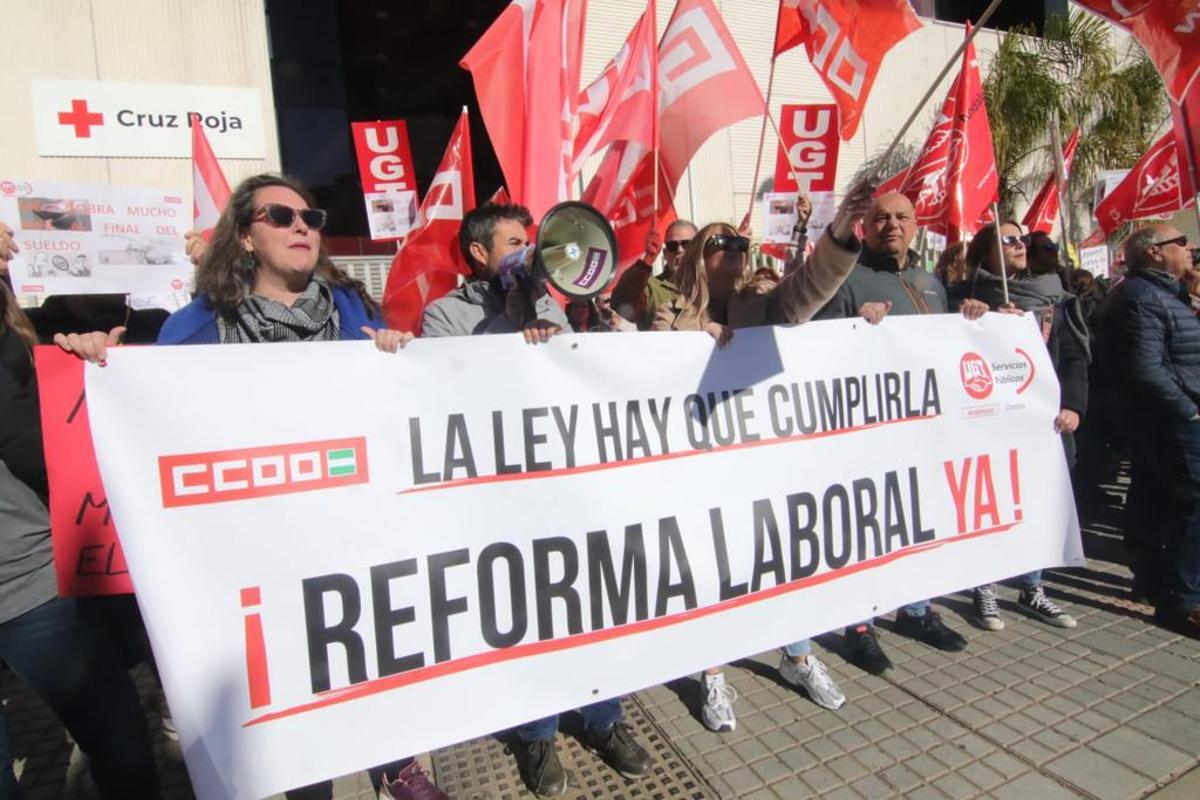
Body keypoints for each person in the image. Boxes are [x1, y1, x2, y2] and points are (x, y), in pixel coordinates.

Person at [54, 174, 441, 800]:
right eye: (280, 216)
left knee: (370, 651)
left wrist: (400, 359)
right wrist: (97, 362)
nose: (301, 227)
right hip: (254, 553)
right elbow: (142, 415)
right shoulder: (194, 329)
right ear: (242, 237)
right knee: (286, 684)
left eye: (310, 217)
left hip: (350, 536)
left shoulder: (356, 316)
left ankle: (393, 760)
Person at [421, 201, 650, 798]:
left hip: (565, 490)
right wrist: (510, 326)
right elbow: (454, 396)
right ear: (479, 252)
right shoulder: (443, 315)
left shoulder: (555, 304)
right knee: (531, 620)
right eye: (517, 242)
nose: (531, 251)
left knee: (590, 611)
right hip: (501, 499)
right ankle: (537, 733)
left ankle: (605, 720)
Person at [652, 182, 876, 730]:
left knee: (778, 564)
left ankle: (797, 656)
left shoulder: (762, 304)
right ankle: (711, 676)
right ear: (700, 256)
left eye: (738, 240)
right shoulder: (668, 310)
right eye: (718, 240)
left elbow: (812, 285)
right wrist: (694, 335)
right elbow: (650, 370)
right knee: (710, 573)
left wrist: (842, 229)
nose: (732, 247)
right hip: (697, 472)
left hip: (759, 466)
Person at [0, 276, 162, 799]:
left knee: (124, 752)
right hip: (31, 578)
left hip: (26, 579)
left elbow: (36, 450)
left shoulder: (18, 347)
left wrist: (85, 371)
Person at [814, 191, 989, 674]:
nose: (892, 224)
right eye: (881, 218)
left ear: (915, 225)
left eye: (901, 217)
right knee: (867, 529)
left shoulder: (928, 281)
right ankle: (860, 626)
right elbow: (817, 347)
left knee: (918, 524)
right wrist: (853, 323)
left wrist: (974, 317)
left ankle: (915, 611)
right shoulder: (845, 276)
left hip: (923, 432)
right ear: (865, 227)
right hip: (866, 434)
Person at [964, 220, 1085, 630]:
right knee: (992, 504)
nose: (1021, 245)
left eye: (1024, 239)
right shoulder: (966, 297)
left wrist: (1074, 407)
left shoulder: (1055, 297)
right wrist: (982, 323)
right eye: (1009, 239)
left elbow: (1072, 358)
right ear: (985, 252)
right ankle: (985, 588)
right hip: (990, 426)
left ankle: (1033, 588)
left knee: (1038, 505)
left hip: (1044, 424)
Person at [1100, 224, 1200, 634]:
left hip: (1167, 418)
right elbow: (1146, 368)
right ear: (1155, 253)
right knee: (1190, 507)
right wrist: (1189, 411)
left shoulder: (1166, 294)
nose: (1189, 248)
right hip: (1173, 420)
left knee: (1157, 501)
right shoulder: (1142, 297)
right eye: (1180, 242)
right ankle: (1184, 599)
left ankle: (1155, 582)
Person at [422, 203, 569, 341]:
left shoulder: (545, 302)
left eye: (526, 244)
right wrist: (507, 322)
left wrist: (556, 339)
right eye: (514, 243)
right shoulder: (444, 314)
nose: (526, 251)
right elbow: (444, 367)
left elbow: (576, 361)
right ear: (480, 253)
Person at [609, 219, 696, 329]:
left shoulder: (710, 284)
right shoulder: (651, 288)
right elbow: (622, 304)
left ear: (699, 248)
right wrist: (648, 259)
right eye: (672, 246)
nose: (679, 250)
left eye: (687, 244)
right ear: (665, 253)